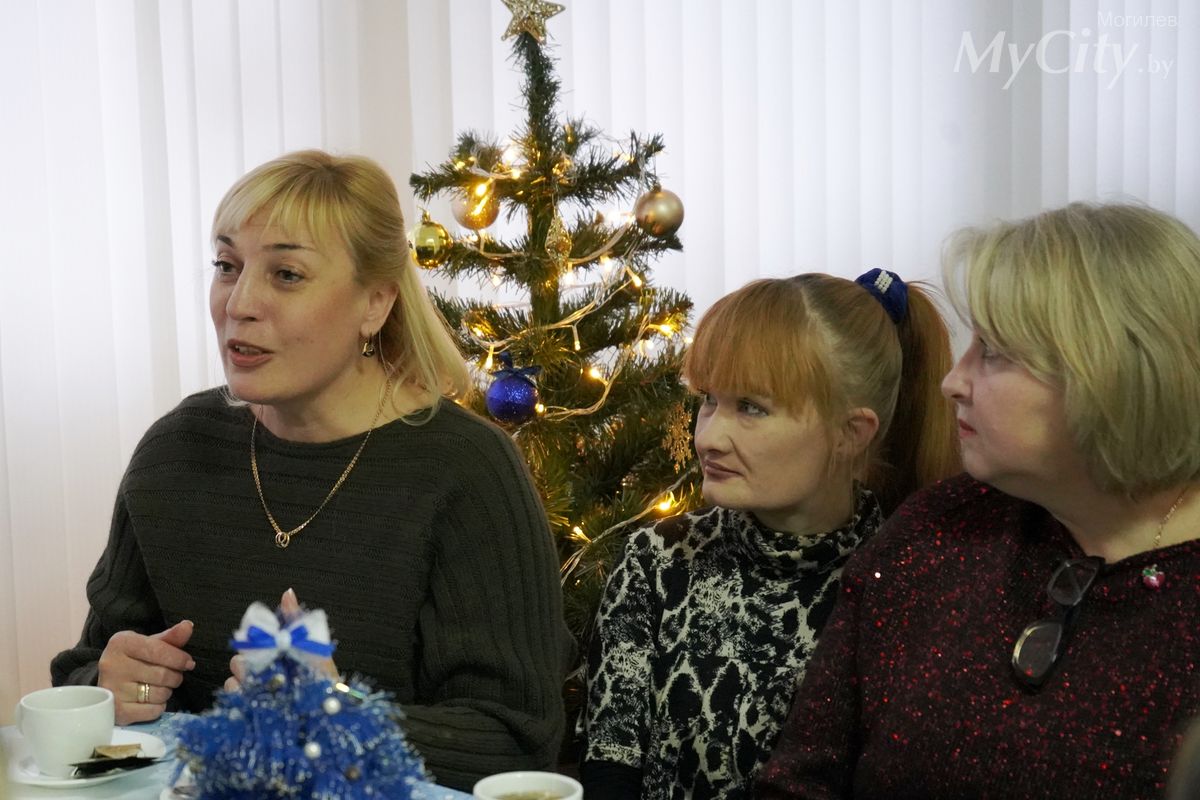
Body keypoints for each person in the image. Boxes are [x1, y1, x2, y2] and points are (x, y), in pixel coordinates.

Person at [51, 150, 571, 791]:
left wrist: (340, 717)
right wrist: (109, 685)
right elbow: (85, 670)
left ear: (375, 303)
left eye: (287, 274)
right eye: (227, 267)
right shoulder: (175, 450)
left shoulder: (467, 470)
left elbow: (516, 742)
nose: (239, 303)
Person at [757, 202, 1200, 799]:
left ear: (1110, 371)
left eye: (991, 351)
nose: (951, 382)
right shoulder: (935, 531)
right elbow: (800, 781)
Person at [579, 270, 962, 799]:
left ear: (851, 433)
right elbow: (610, 765)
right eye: (708, 399)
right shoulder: (659, 560)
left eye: (752, 408)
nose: (708, 437)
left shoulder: (908, 590)